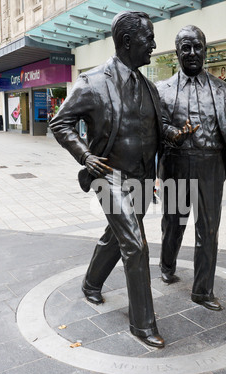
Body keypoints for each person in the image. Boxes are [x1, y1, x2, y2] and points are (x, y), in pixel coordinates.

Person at [50, 11, 164, 348]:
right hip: (109, 175)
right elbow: (60, 123)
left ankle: (90, 283)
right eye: (149, 38)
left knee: (116, 236)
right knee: (135, 244)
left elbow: (156, 129)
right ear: (128, 41)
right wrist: (84, 155)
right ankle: (142, 325)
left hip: (143, 178)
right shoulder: (92, 82)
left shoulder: (149, 86)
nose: (154, 45)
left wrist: (175, 134)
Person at [156, 25, 226, 311]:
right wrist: (173, 133)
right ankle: (167, 266)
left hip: (211, 167)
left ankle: (202, 291)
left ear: (205, 49)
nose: (191, 53)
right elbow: (155, 125)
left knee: (208, 230)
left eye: (196, 47)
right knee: (173, 225)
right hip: (176, 164)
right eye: (185, 48)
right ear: (177, 53)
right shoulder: (161, 91)